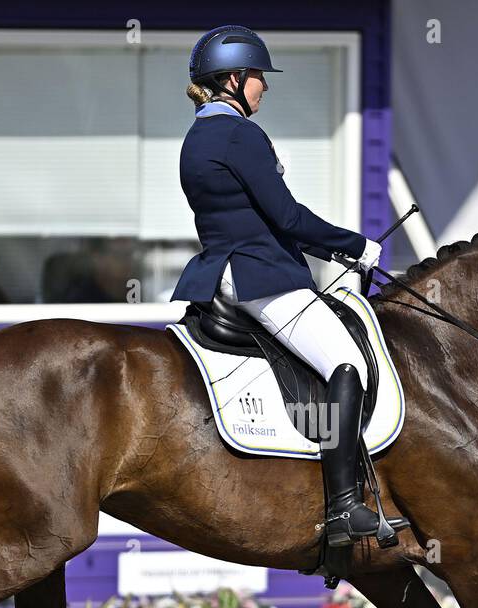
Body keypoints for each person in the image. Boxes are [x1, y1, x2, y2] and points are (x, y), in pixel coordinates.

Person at [171, 25, 401, 547]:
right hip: (259, 274)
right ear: (232, 79)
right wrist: (356, 246)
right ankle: (344, 507)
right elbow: (288, 217)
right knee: (347, 362)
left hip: (223, 271)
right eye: (257, 77)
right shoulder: (238, 134)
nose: (264, 87)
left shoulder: (197, 137)